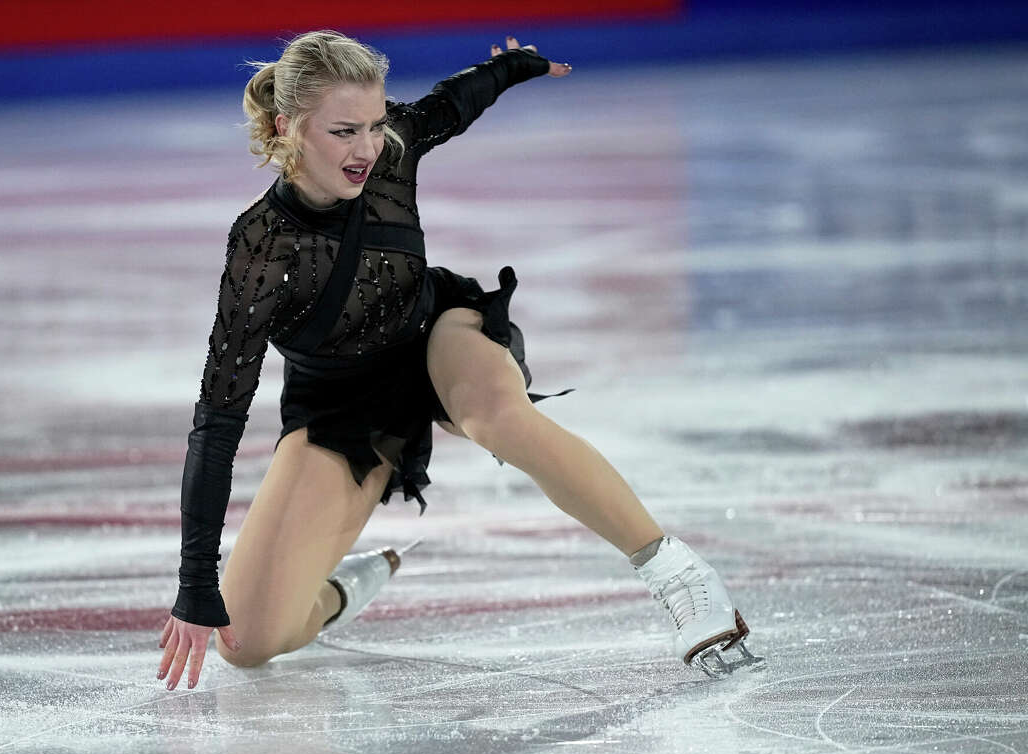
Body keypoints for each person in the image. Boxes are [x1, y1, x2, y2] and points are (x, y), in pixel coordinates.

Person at [156, 30, 759, 691]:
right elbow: (217, 421)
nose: (366, 149)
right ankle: (333, 594)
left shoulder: (390, 152)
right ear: (287, 127)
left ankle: (678, 575)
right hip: (341, 407)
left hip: (436, 332)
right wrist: (194, 585)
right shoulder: (260, 251)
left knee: (492, 413)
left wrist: (511, 68)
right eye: (343, 131)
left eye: (376, 124)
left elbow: (454, 103)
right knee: (245, 642)